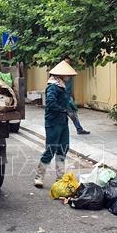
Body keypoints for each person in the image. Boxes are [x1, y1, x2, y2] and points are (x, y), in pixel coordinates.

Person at [34, 60, 78, 188]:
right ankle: (39, 177)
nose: (69, 77)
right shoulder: (53, 87)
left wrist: (71, 107)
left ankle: (60, 178)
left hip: (63, 122)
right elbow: (51, 103)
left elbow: (64, 101)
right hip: (53, 122)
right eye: (67, 75)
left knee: (63, 148)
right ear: (61, 75)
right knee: (51, 149)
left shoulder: (61, 86)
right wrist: (64, 110)